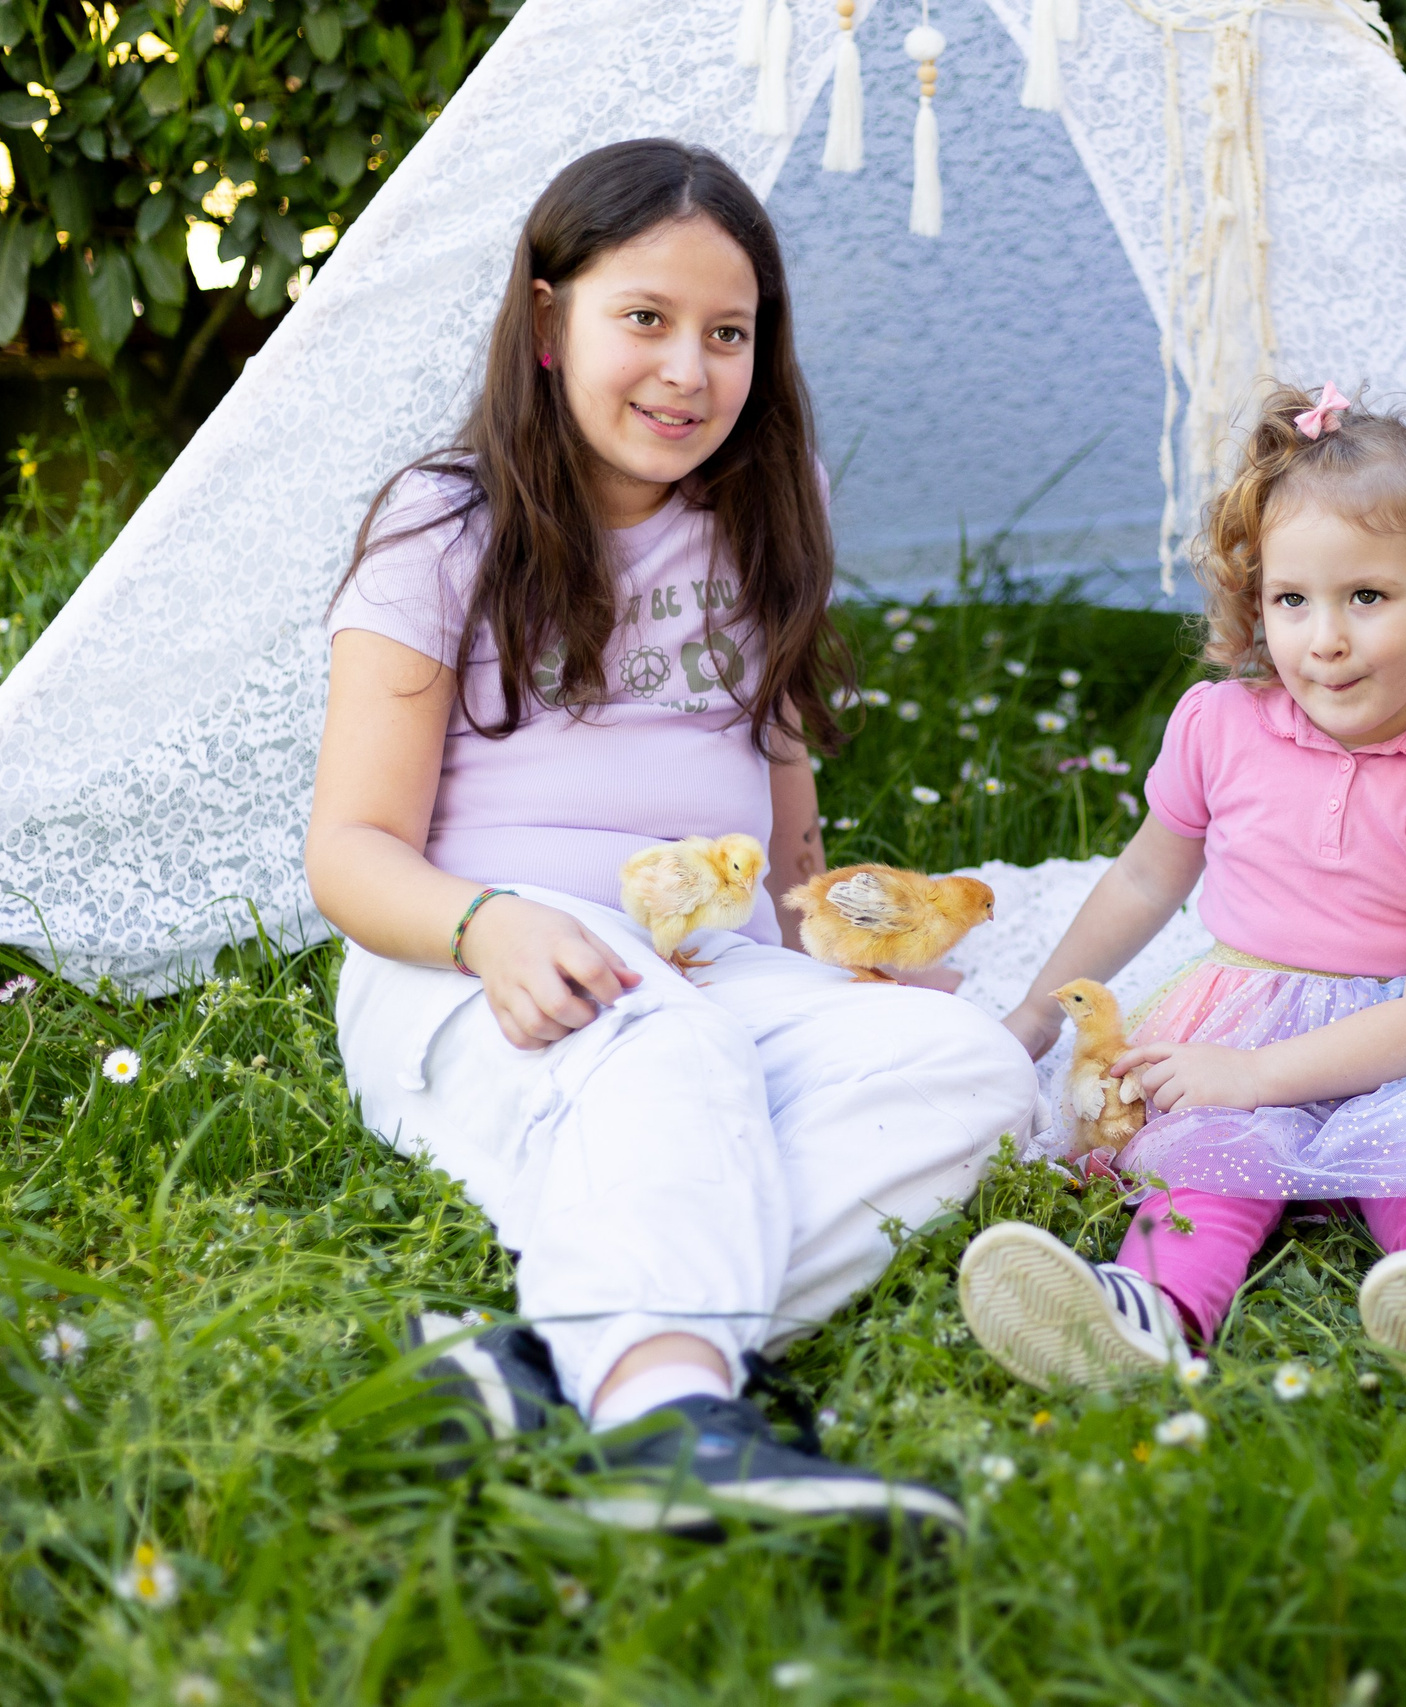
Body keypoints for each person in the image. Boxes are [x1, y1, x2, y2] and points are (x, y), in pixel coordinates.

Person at [305, 138, 1036, 1536]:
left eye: (728, 333)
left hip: (711, 966)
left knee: (975, 1065)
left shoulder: (765, 515)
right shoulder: (444, 523)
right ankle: (665, 1416)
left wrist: (844, 946)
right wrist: (485, 924)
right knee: (674, 1043)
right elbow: (349, 849)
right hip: (476, 960)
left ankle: (552, 1352)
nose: (687, 370)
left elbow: (780, 803)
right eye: (643, 318)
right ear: (546, 322)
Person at [957, 383, 1406, 1421]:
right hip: (1243, 1007)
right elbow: (1140, 878)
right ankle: (1146, 1319)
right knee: (1207, 1164)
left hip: (1398, 1041)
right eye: (1292, 600)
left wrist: (1256, 1075)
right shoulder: (1219, 726)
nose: (1325, 639)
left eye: (1367, 597)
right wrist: (1039, 1015)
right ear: (1254, 604)